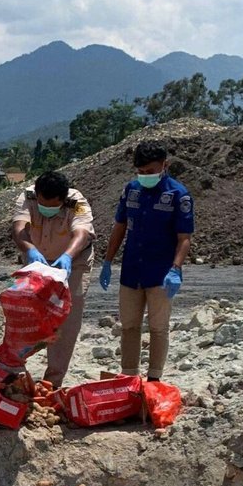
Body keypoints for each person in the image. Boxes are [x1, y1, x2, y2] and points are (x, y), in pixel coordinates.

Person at [99, 140, 194, 380]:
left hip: (160, 272)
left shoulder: (178, 195)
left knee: (158, 327)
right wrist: (108, 261)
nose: (145, 176)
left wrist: (176, 268)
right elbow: (120, 226)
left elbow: (184, 238)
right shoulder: (131, 190)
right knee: (129, 326)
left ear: (165, 165)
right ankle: (129, 376)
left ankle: (154, 378)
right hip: (132, 270)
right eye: (140, 172)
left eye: (150, 171)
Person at [11, 169, 95, 387]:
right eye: (43, 204)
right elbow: (19, 228)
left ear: (63, 198)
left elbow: (82, 233)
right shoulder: (27, 197)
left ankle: (53, 381)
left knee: (66, 317)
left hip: (73, 262)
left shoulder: (76, 201)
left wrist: (67, 256)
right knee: (27, 314)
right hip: (37, 259)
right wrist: (29, 249)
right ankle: (16, 374)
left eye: (52, 206)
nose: (46, 209)